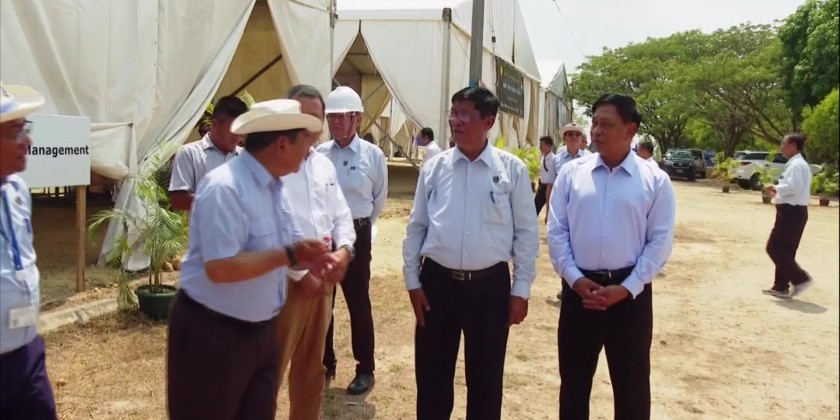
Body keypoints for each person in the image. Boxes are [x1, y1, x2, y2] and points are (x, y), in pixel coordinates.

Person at [166, 99, 338, 420]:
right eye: (305, 142)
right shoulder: (225, 187)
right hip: (213, 335)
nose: (310, 150)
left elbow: (290, 243)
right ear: (282, 145)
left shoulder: (275, 188)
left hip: (261, 333)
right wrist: (292, 254)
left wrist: (315, 259)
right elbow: (220, 268)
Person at [402, 86, 539, 420]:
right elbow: (417, 225)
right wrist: (413, 282)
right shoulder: (435, 168)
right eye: (453, 113)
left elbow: (526, 233)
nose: (456, 121)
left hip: (490, 289)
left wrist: (520, 290)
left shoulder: (511, 170)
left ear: (488, 121)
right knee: (432, 379)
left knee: (486, 382)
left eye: (465, 114)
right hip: (437, 285)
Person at [547, 93, 675, 420]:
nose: (596, 131)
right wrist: (574, 279)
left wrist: (628, 287)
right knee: (573, 384)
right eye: (594, 123)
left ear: (630, 130)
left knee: (632, 388)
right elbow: (557, 231)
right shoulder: (571, 174)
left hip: (629, 298)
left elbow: (660, 242)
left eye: (606, 124)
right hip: (579, 294)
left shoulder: (655, 180)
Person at [276, 84, 356, 419]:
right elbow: (268, 227)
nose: (310, 123)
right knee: (269, 371)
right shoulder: (271, 164)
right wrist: (298, 273)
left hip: (322, 282)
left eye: (316, 116)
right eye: (302, 115)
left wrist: (344, 251)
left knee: (312, 371)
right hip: (281, 284)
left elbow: (341, 215)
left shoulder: (324, 166)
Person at [316, 86, 388, 395]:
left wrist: (359, 227)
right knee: (323, 303)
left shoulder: (372, 155)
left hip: (358, 235)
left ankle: (365, 369)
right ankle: (325, 364)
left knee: (358, 303)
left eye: (341, 117)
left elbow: (378, 199)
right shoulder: (320, 154)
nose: (334, 122)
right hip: (326, 235)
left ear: (357, 119)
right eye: (330, 117)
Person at [0, 82, 58, 420]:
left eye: (26, 130)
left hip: (26, 353)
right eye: (14, 133)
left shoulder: (18, 191)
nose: (28, 142)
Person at [168, 95, 249, 211]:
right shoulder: (189, 153)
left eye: (241, 131)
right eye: (233, 131)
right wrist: (218, 200)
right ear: (215, 124)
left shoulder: (246, 157)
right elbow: (178, 200)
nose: (238, 137)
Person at [762, 133, 814, 298]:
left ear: (793, 146)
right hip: (795, 211)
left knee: (774, 248)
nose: (781, 147)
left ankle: (801, 279)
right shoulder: (797, 164)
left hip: (791, 213)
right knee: (786, 250)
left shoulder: (797, 165)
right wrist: (777, 194)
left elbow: (794, 187)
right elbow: (793, 190)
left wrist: (775, 187)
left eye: (784, 143)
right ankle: (780, 286)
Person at [553, 123, 591, 300]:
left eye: (577, 134)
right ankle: (567, 285)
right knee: (564, 248)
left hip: (582, 212)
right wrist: (549, 210)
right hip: (563, 210)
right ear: (565, 138)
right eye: (570, 134)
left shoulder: (591, 159)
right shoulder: (557, 159)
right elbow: (551, 186)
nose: (574, 137)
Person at [534, 135, 557, 221]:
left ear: (548, 146)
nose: (540, 147)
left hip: (549, 187)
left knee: (550, 211)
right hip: (541, 186)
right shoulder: (543, 157)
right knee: (534, 210)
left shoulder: (554, 159)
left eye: (542, 145)